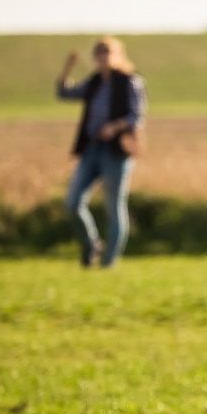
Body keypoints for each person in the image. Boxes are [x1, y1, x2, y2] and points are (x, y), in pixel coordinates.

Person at [55, 37, 146, 268]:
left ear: (118, 55)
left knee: (113, 207)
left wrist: (114, 127)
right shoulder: (94, 82)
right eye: (99, 53)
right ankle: (92, 243)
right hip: (91, 149)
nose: (103, 57)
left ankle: (109, 262)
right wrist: (68, 68)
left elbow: (137, 116)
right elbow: (65, 94)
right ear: (95, 58)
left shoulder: (129, 82)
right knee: (73, 203)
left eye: (108, 52)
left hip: (116, 151)